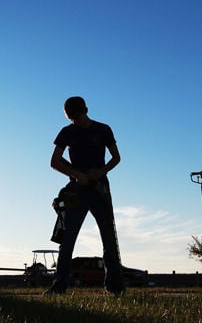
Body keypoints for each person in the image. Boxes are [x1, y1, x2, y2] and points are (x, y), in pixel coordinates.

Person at [44, 96, 124, 296]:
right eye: (71, 118)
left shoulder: (103, 129)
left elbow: (116, 157)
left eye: (77, 116)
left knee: (109, 238)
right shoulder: (66, 132)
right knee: (67, 239)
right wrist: (77, 175)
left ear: (86, 110)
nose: (75, 121)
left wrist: (101, 171)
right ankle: (59, 285)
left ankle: (115, 287)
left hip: (100, 190)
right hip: (77, 191)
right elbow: (54, 161)